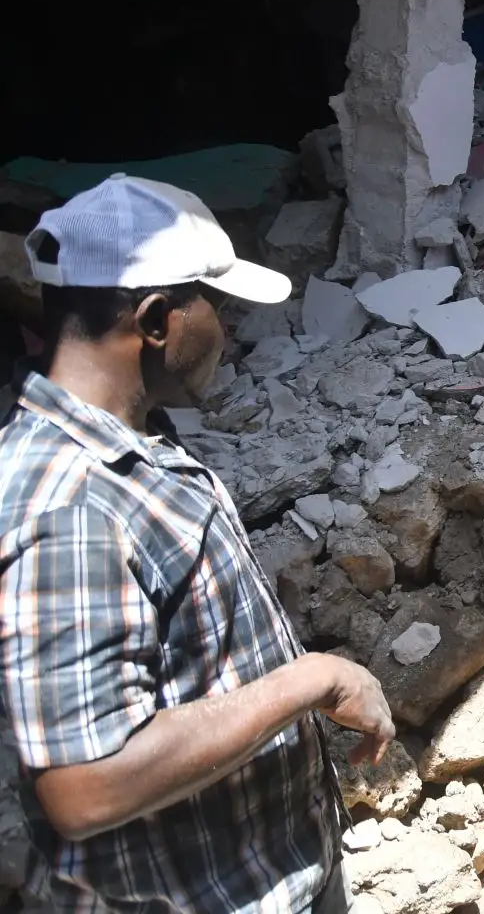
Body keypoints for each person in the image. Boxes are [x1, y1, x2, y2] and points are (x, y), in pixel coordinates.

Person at [0, 176, 394, 912]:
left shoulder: (133, 439)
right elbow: (86, 786)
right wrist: (310, 681)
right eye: (219, 304)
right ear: (156, 323)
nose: (232, 328)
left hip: (267, 868)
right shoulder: (69, 506)